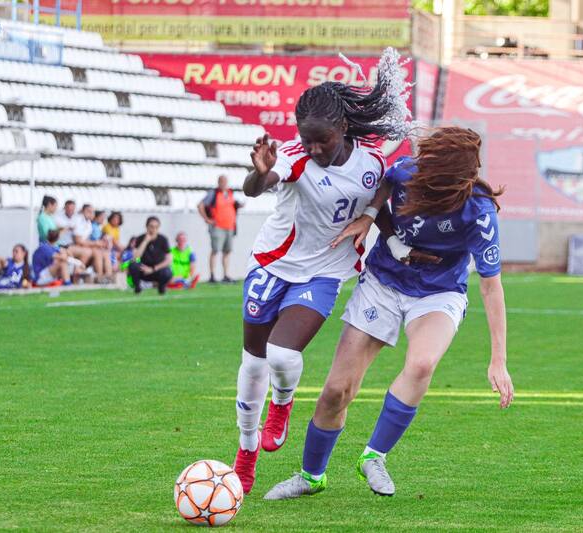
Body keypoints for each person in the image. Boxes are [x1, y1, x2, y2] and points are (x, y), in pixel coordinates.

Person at [264, 127, 515, 500]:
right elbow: (384, 186)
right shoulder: (407, 171)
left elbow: (491, 286)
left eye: (429, 168)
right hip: (382, 281)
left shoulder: (477, 212)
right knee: (336, 390)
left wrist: (499, 360)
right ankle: (311, 476)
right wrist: (369, 217)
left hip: (438, 292)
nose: (419, 169)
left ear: (451, 180)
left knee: (422, 364)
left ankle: (374, 456)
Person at [230, 48, 415, 495]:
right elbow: (260, 187)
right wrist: (259, 174)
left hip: (324, 273)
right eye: (307, 140)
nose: (314, 149)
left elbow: (379, 195)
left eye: (322, 141)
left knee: (282, 356)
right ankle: (246, 451)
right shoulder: (294, 157)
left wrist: (382, 228)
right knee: (253, 362)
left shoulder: (370, 165)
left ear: (343, 129)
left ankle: (283, 405)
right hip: (273, 264)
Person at [198, 175, 242, 283]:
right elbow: (200, 205)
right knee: (215, 250)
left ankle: (225, 275)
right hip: (217, 226)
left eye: (225, 181)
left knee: (227, 251)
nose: (224, 183)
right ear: (218, 182)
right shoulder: (213, 193)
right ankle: (212, 276)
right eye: (222, 181)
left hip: (230, 227)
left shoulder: (230, 193)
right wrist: (207, 219)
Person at [130, 216, 173, 294]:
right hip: (143, 269)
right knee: (133, 266)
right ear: (147, 227)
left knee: (168, 272)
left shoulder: (163, 239)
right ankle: (137, 287)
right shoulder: (140, 238)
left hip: (157, 269)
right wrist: (145, 241)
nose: (153, 229)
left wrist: (153, 269)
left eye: (156, 227)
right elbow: (135, 257)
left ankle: (161, 287)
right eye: (151, 227)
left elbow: (169, 259)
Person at [74, 204, 112, 282]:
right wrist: (96, 244)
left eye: (92, 212)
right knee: (97, 252)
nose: (91, 214)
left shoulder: (89, 224)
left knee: (105, 253)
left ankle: (109, 277)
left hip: (86, 246)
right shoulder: (79, 221)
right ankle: (100, 277)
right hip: (76, 246)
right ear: (82, 211)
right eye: (89, 212)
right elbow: (78, 241)